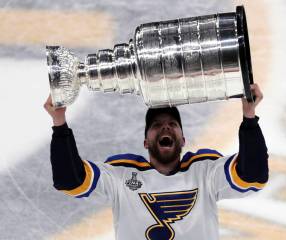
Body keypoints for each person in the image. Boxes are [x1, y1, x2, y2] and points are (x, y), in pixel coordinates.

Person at [44, 83, 269, 240]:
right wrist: (59, 122)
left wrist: (249, 117)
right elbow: (70, 180)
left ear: (183, 139)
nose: (164, 127)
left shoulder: (204, 171)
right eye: (156, 125)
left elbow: (253, 175)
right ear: (145, 142)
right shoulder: (122, 174)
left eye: (172, 124)